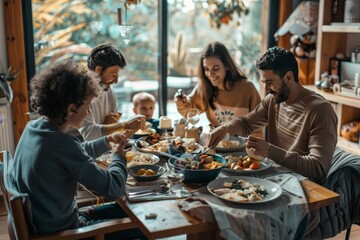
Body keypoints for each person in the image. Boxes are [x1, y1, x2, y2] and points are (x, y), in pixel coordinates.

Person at [11, 61, 144, 239]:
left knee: (134, 208)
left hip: (50, 221)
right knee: (144, 226)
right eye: (88, 106)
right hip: (66, 233)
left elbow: (74, 152)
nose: (89, 112)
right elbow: (114, 188)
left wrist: (107, 140)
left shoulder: (34, 128)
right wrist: (118, 156)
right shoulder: (61, 144)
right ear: (72, 108)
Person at [207, 46, 338, 183]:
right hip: (275, 176)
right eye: (264, 82)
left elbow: (318, 168)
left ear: (288, 77)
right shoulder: (274, 100)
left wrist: (269, 151)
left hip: (303, 184)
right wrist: (224, 129)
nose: (266, 89)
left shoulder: (320, 110)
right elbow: (246, 124)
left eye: (270, 82)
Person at [174, 41, 262, 134]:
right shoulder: (204, 87)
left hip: (243, 147)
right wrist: (181, 102)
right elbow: (190, 110)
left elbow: (258, 125)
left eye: (216, 68)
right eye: (206, 69)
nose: (210, 74)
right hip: (215, 146)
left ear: (227, 66)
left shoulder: (247, 88)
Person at [79, 42, 145, 141]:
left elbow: (112, 127)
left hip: (102, 151)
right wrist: (125, 125)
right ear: (98, 69)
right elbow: (87, 134)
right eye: (114, 73)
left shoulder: (109, 92)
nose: (116, 80)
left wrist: (131, 128)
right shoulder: (80, 92)